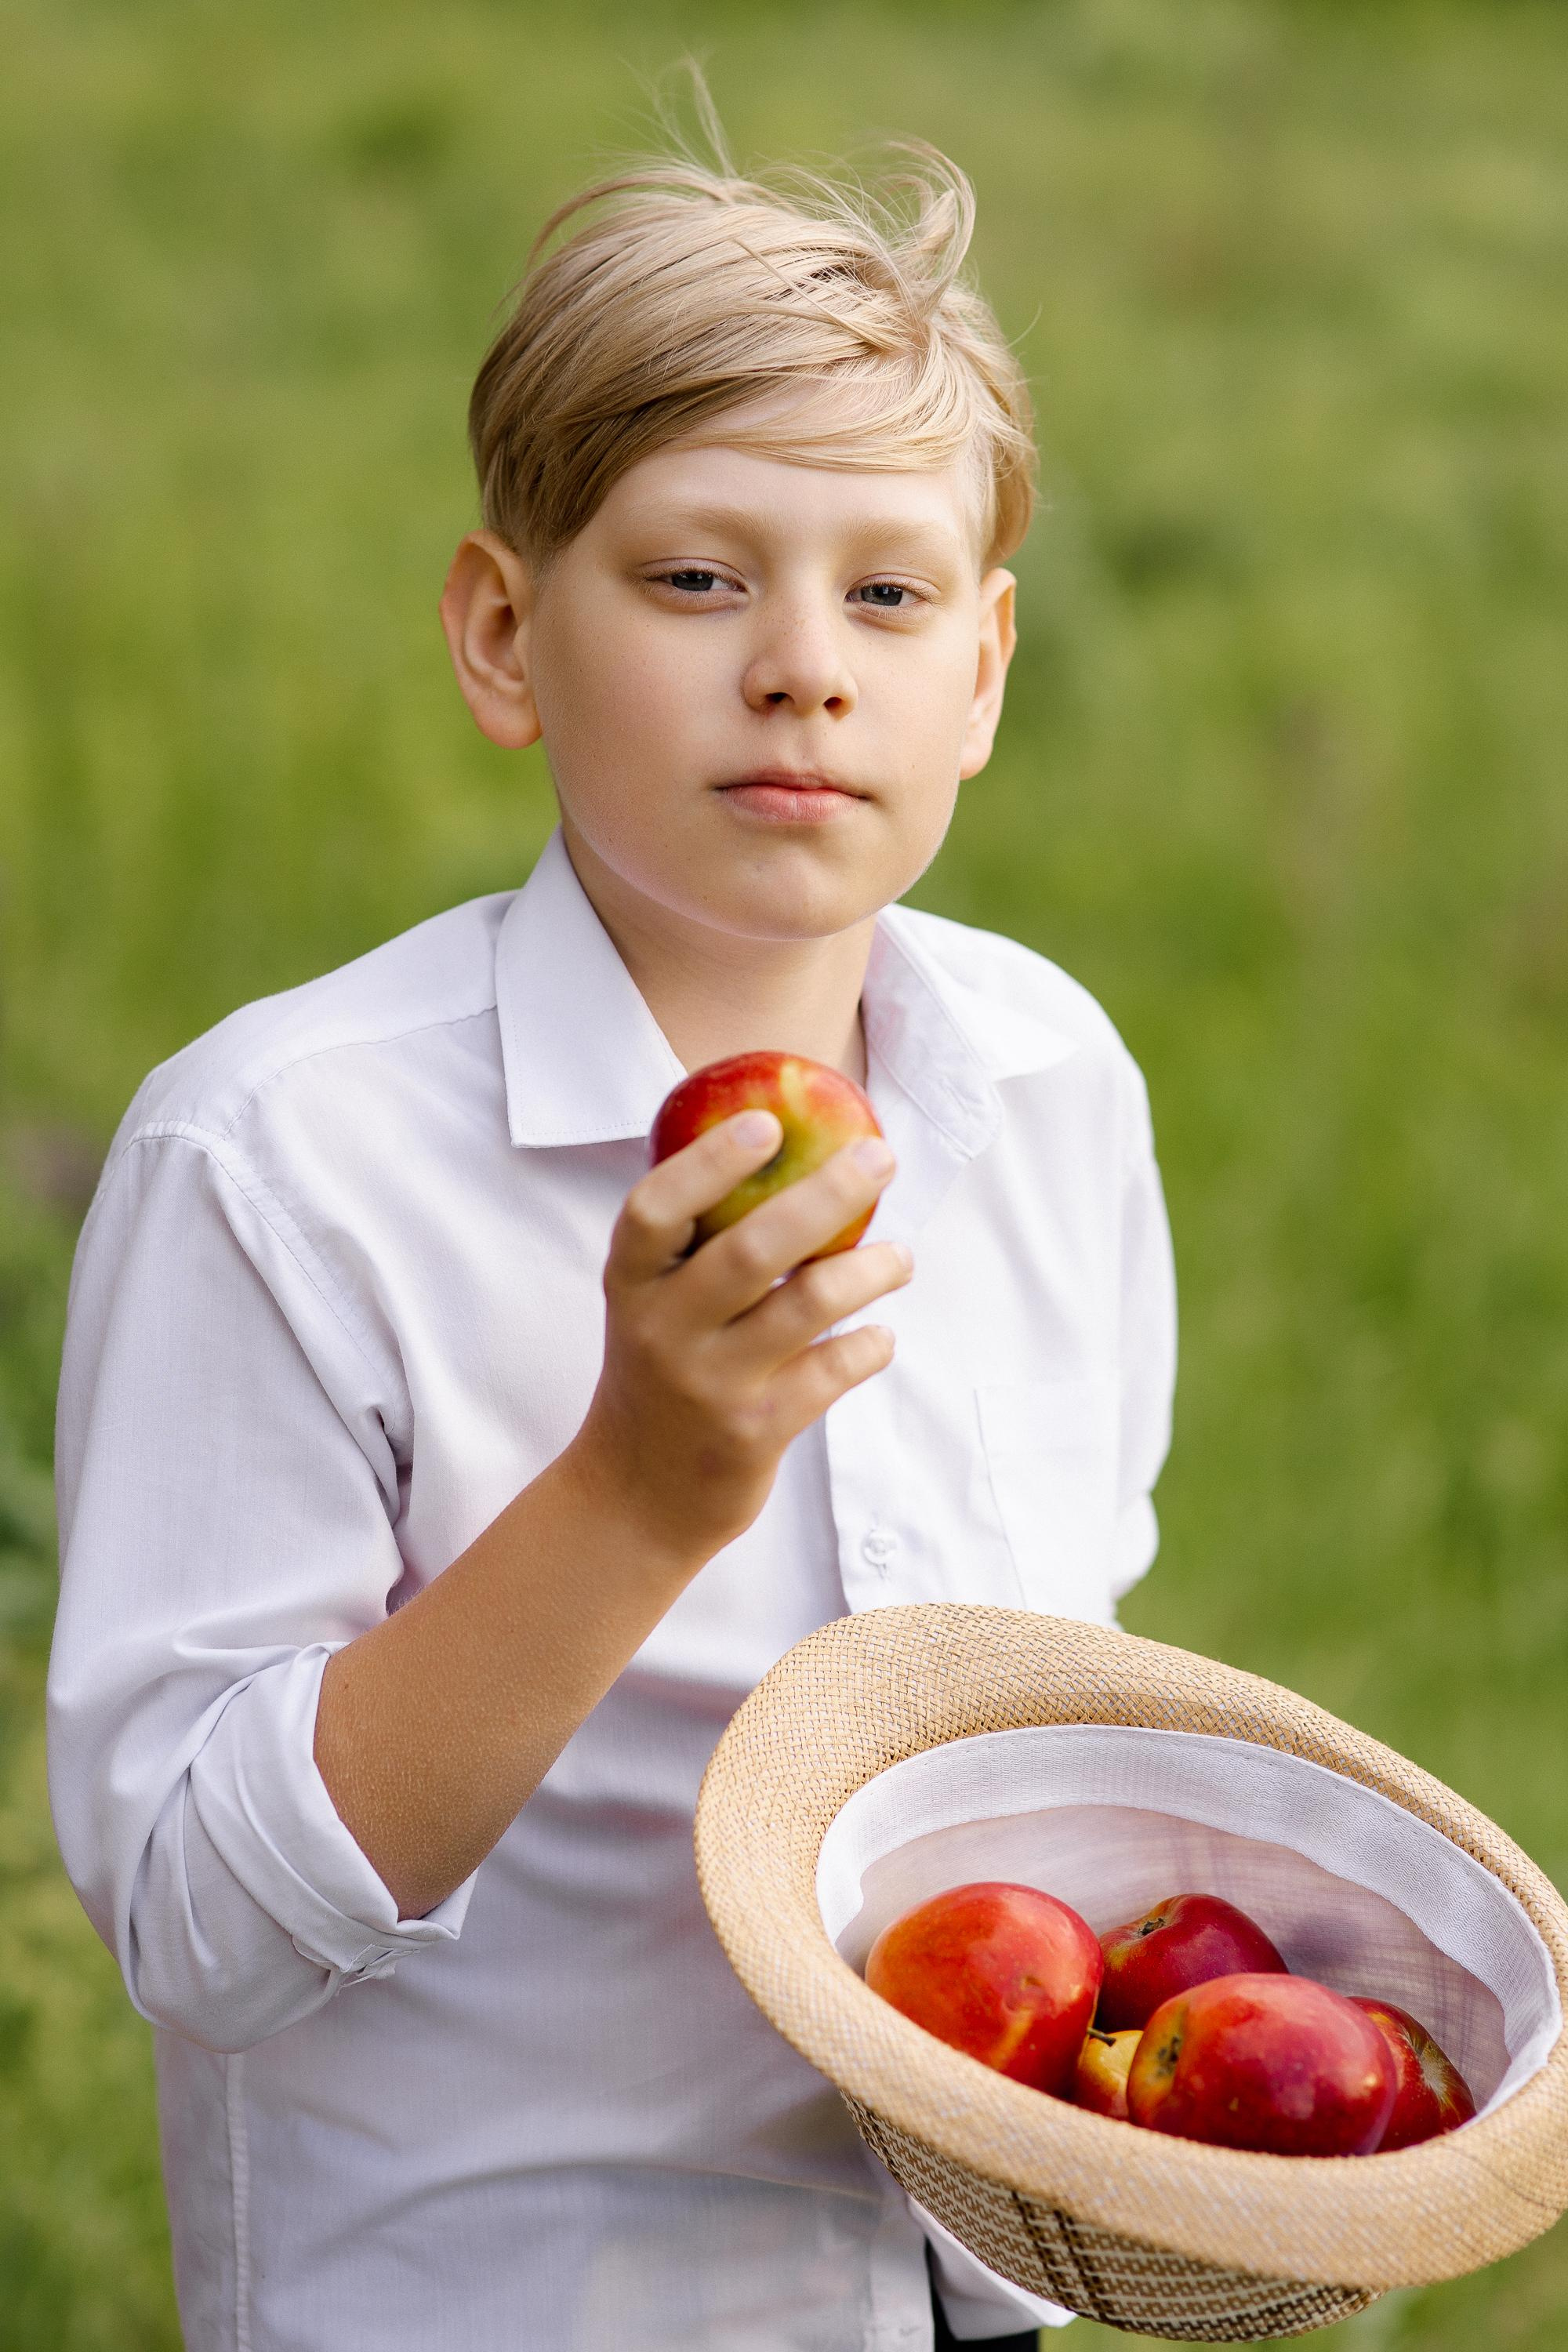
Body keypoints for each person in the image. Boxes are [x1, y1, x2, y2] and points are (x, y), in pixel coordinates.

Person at [48, 116, 1175, 2352]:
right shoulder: (285, 1162)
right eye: (693, 578)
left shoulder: (1048, 1087)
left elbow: (1058, 1683)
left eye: (888, 592)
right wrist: (641, 1489)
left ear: (987, 666)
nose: (802, 666)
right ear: (502, 635)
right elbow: (196, 1921)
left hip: (967, 2303)